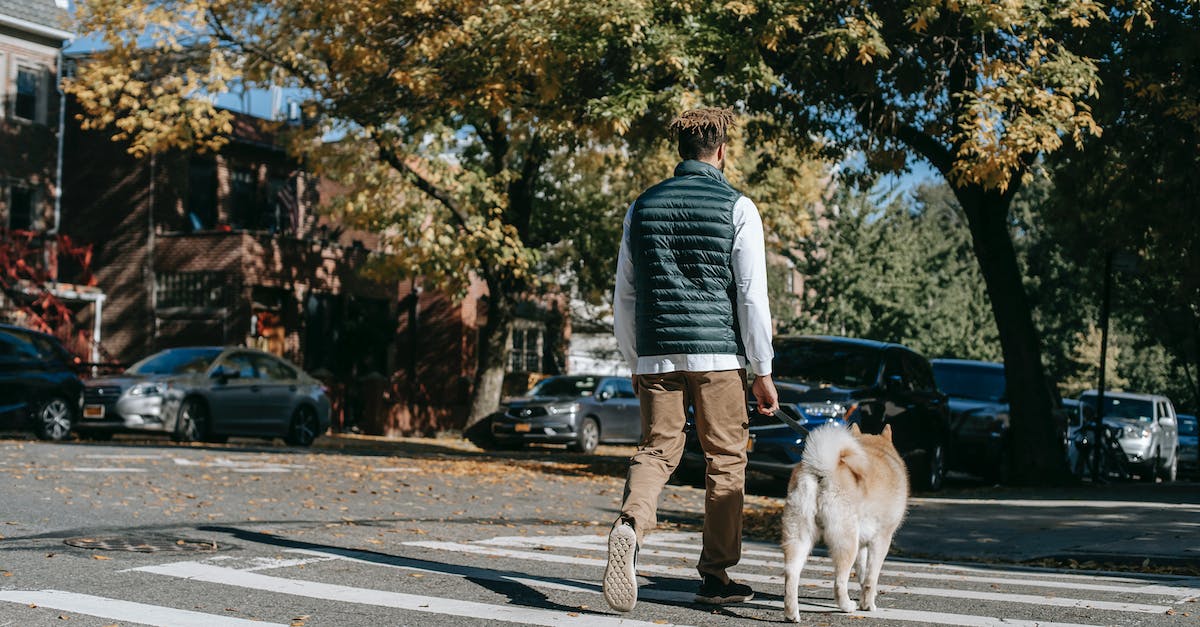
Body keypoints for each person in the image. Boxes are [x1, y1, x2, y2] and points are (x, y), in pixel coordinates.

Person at [603, 107, 779, 613]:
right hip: (718, 355)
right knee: (725, 460)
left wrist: (634, 359)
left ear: (678, 150)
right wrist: (762, 371)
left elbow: (626, 293)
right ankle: (716, 575)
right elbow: (751, 296)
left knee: (657, 451)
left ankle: (630, 525)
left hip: (656, 354)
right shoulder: (738, 207)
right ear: (721, 150)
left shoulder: (642, 206)